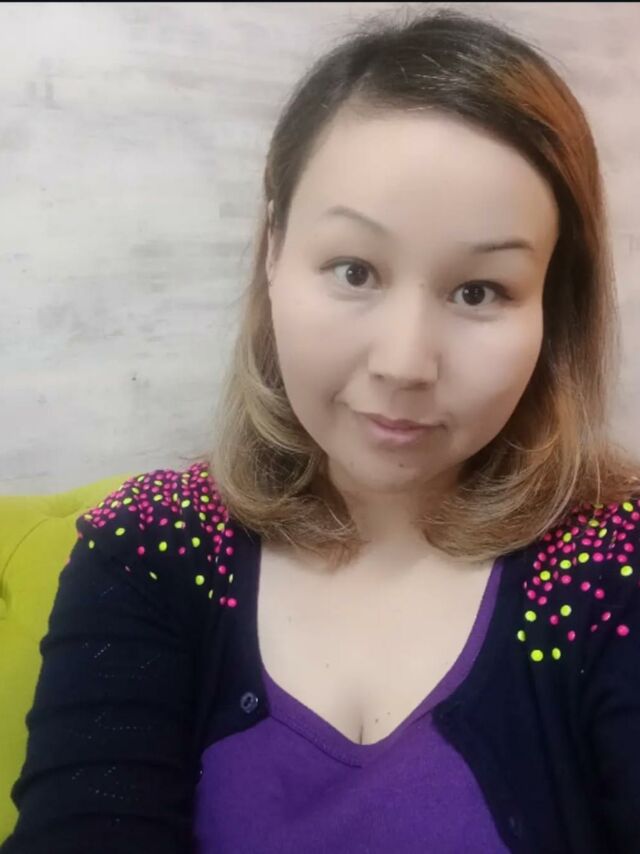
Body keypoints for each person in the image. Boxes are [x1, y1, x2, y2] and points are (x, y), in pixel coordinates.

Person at [3, 6, 640, 853]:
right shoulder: (149, 548)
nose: (405, 363)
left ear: (552, 306)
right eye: (355, 270)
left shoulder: (613, 569)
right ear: (274, 250)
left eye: (479, 291)